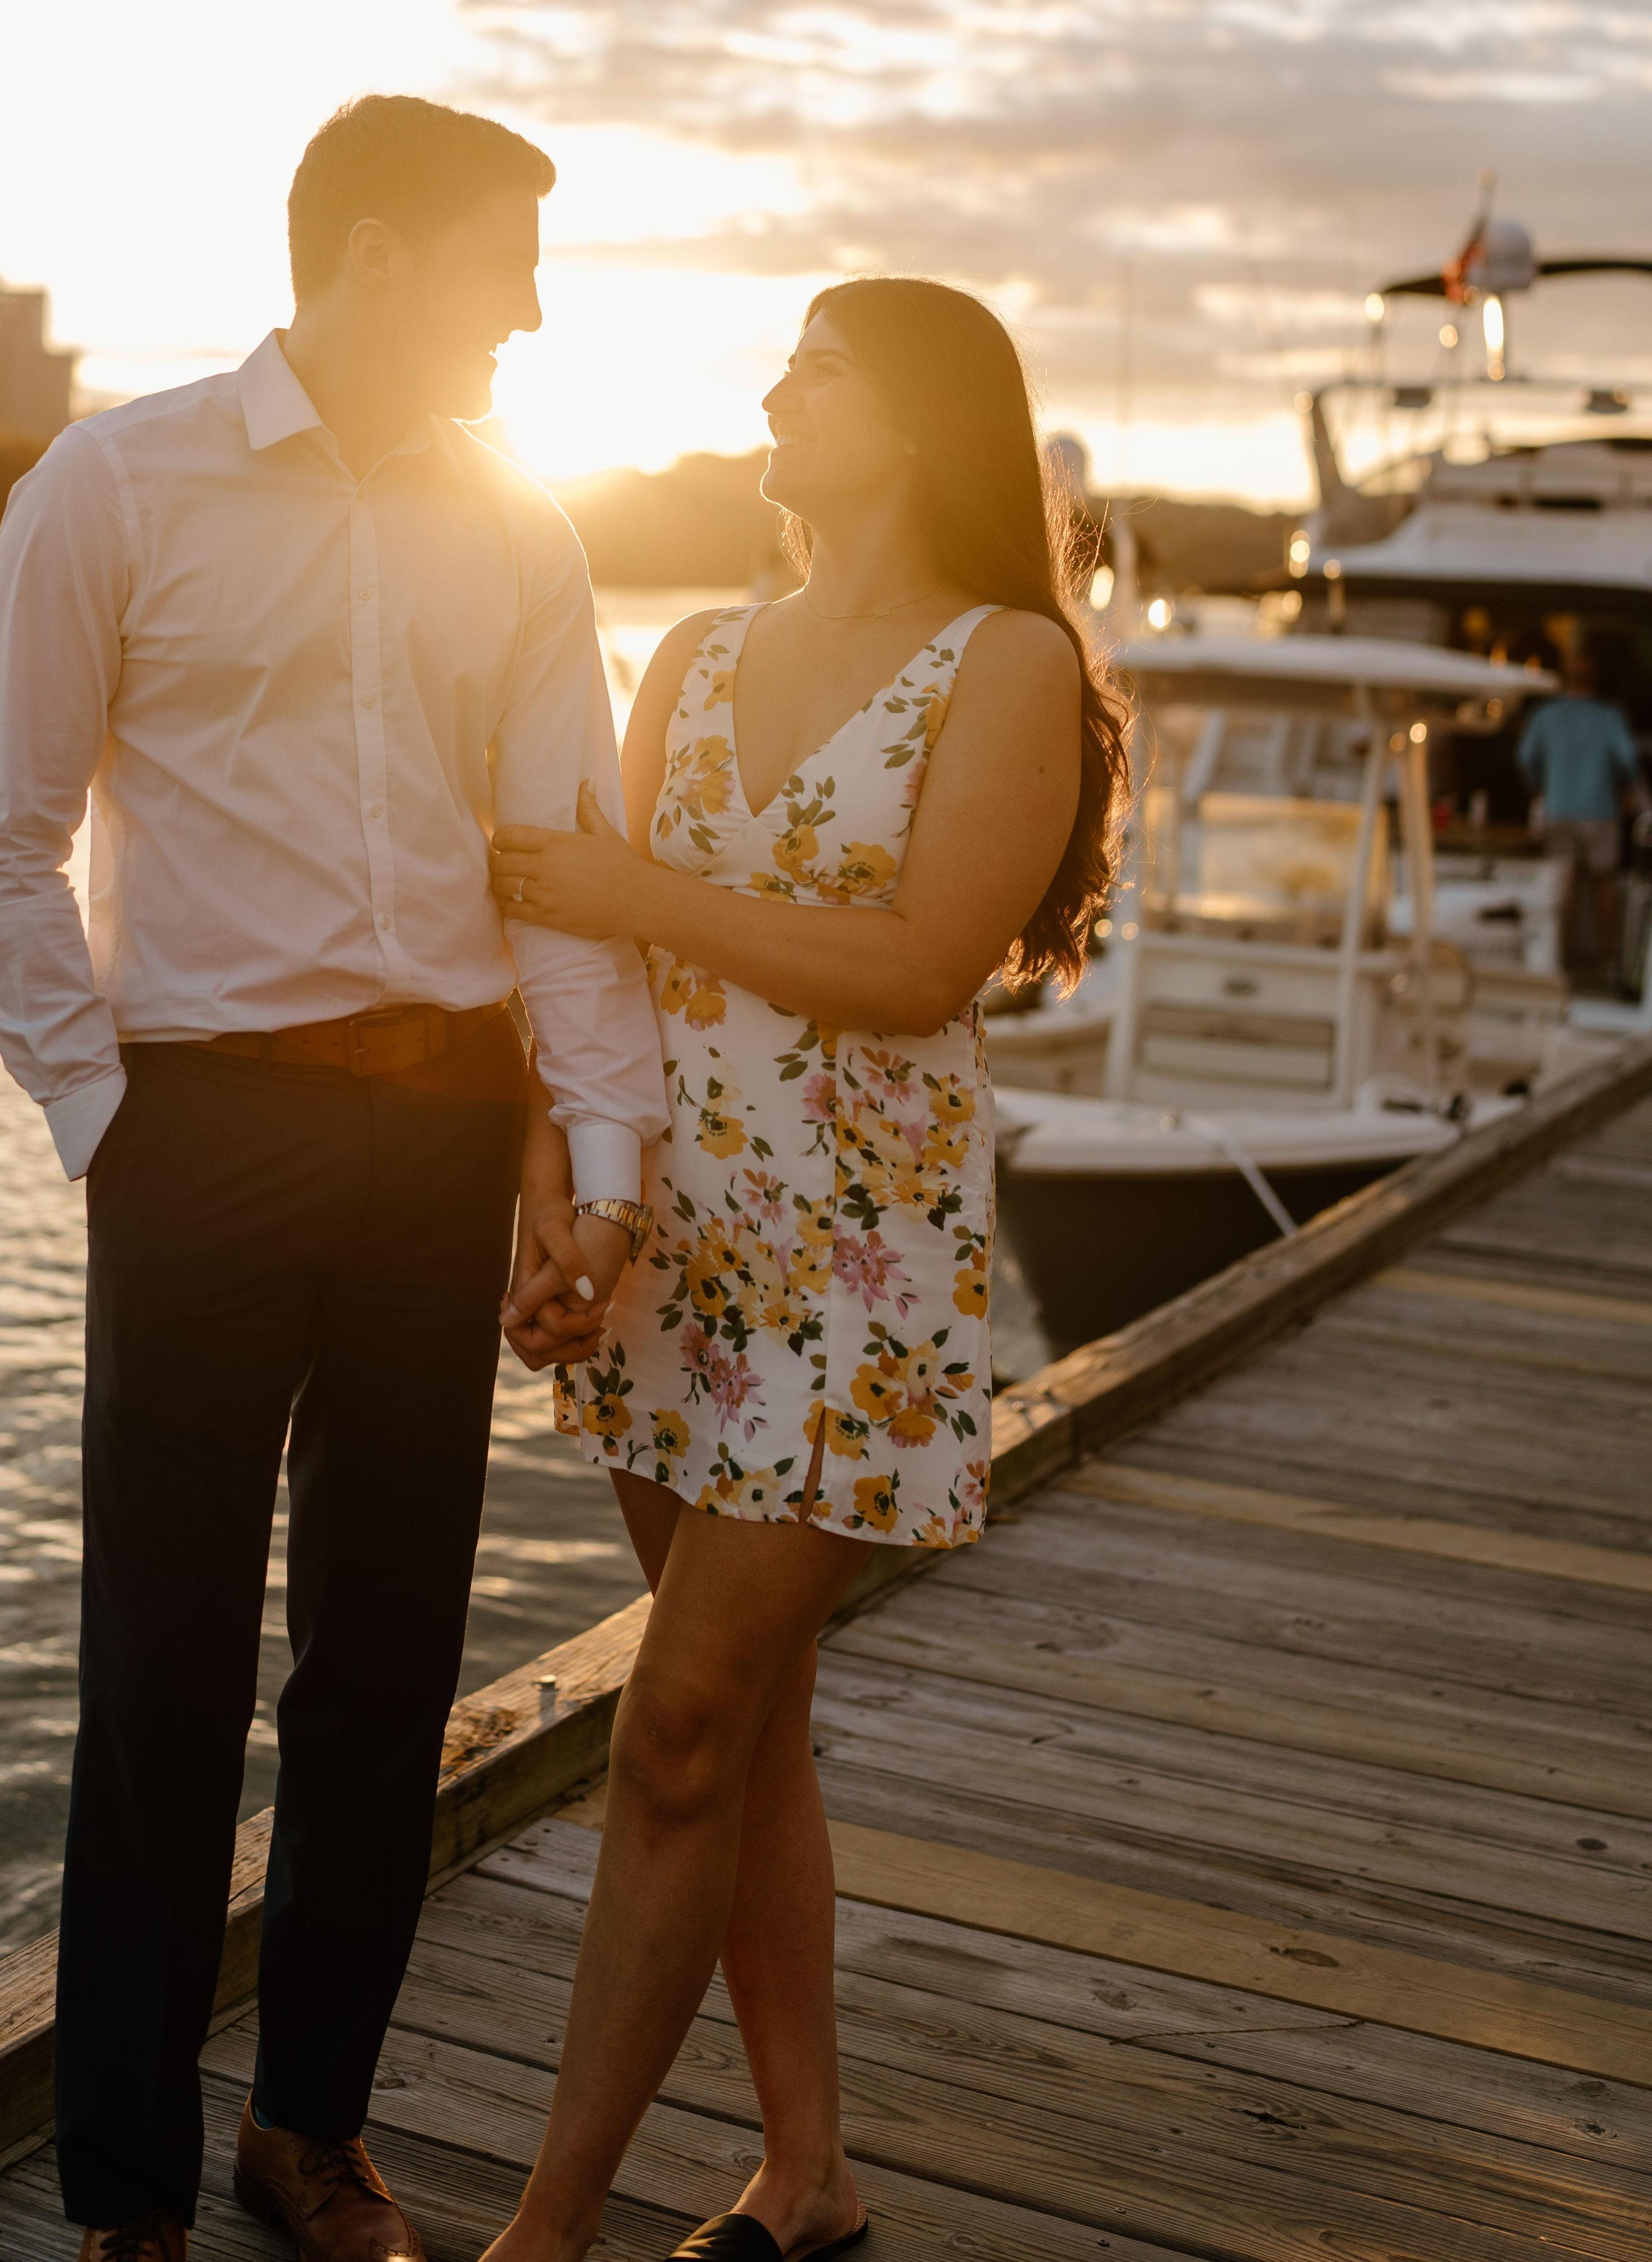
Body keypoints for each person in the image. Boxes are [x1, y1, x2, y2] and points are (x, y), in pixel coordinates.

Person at [0, 96, 665, 2262]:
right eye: (502, 265)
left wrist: (599, 1153)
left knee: (387, 1659)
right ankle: (124, 2192)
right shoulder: (114, 481)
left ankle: (311, 2125)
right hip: (202, 1133)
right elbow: (2, 841)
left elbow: (556, 872)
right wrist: (114, 1124)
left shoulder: (521, 531)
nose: (533, 310)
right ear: (371, 254)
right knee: (158, 1662)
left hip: (440, 1128)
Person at [487, 278, 1129, 2262]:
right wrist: (557, 1186)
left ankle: (548, 2227)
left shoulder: (1007, 660)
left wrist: (635, 889)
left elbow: (922, 964)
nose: (777, 390)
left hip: (852, 1269)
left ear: (925, 416)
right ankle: (813, 2172)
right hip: (672, 1244)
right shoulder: (691, 647)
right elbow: (592, 973)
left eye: (821, 366)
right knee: (740, 1718)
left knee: (676, 1720)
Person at [1516, 653, 1643, 984]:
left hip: (1559, 807)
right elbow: (1628, 758)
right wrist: (1628, 788)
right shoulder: (1609, 716)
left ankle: (1560, 961)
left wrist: (1542, 786)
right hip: (1600, 809)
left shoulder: (1546, 715)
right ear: (1594, 681)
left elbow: (1526, 757)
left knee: (1563, 886)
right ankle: (1609, 964)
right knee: (1605, 885)